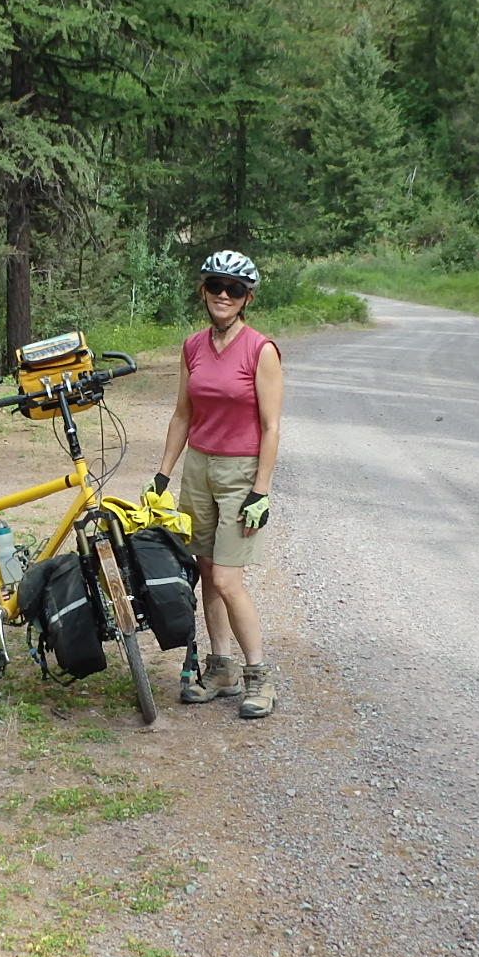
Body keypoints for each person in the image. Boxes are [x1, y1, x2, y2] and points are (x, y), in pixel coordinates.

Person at [151, 250, 284, 719]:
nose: (223, 295)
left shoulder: (260, 350)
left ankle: (259, 676)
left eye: (234, 289)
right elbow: (183, 414)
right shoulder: (192, 347)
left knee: (228, 578)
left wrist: (260, 491)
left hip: (241, 474)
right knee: (206, 570)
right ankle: (221, 666)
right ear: (203, 291)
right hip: (199, 470)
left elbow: (271, 426)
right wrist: (163, 474)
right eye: (215, 286)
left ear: (247, 297)